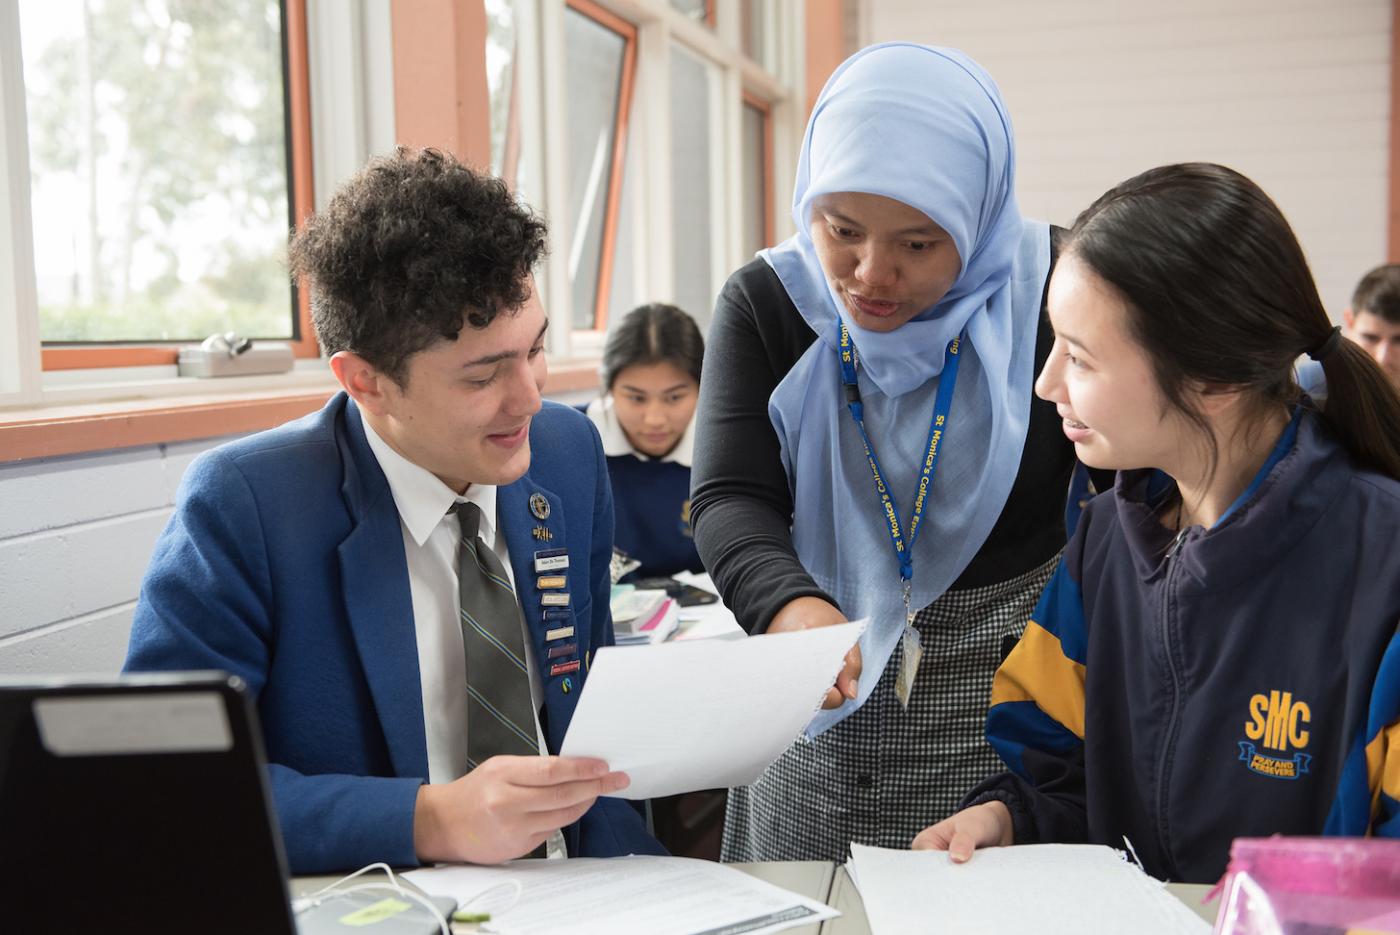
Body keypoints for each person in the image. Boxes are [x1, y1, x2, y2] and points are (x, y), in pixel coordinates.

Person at [124, 147, 663, 873]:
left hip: (589, 882)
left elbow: (586, 694)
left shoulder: (565, 451)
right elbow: (164, 784)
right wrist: (429, 820)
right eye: (482, 375)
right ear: (365, 381)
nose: (531, 397)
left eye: (532, 351)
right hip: (392, 892)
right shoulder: (247, 505)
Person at [913, 163, 1400, 883]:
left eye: (1078, 356)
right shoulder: (1106, 540)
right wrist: (1008, 815)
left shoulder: (1381, 566)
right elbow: (1059, 766)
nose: (1047, 384)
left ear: (1213, 381)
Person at [691, 43, 1098, 861]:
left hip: (995, 736)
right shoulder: (770, 302)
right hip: (810, 705)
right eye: (841, 229)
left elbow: (1122, 510)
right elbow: (729, 494)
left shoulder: (1056, 295)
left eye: (918, 244)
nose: (871, 275)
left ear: (977, 219)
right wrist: (787, 606)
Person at [584, 303, 705, 579]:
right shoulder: (569, 442)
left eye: (674, 397)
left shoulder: (728, 447)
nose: (654, 419)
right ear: (609, 386)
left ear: (704, 386)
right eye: (636, 398)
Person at [1297, 263, 1400, 399]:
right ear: (1350, 322)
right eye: (1370, 338)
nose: (1383, 357)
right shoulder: (1310, 384)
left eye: (1398, 341)